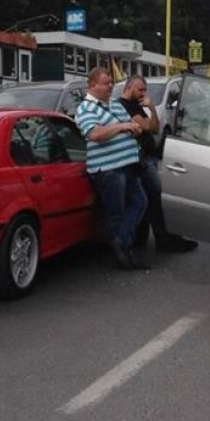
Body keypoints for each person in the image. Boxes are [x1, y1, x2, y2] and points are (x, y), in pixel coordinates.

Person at [75, 66, 148, 271]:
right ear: (92, 85)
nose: (110, 87)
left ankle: (120, 242)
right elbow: (95, 134)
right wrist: (122, 127)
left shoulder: (115, 104)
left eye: (111, 84)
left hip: (126, 165)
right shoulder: (85, 109)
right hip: (107, 169)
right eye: (106, 84)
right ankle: (124, 252)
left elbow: (133, 125)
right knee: (115, 212)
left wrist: (134, 128)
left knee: (140, 202)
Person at [119, 75, 198, 253]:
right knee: (152, 199)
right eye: (140, 89)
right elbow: (147, 127)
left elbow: (155, 127)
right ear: (130, 87)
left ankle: (156, 238)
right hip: (142, 160)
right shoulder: (124, 105)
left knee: (152, 200)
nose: (143, 93)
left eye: (145, 90)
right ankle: (162, 239)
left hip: (148, 157)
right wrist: (150, 114)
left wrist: (152, 109)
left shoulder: (138, 105)